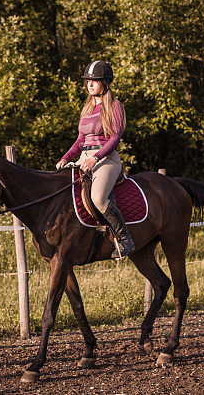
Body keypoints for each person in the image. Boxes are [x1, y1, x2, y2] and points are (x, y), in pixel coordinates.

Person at [56, 60, 135, 259]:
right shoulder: (87, 108)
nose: (90, 84)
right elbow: (81, 140)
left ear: (106, 82)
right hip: (85, 157)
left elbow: (115, 137)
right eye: (88, 81)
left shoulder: (115, 106)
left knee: (98, 198)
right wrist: (65, 158)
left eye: (95, 81)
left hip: (106, 158)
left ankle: (125, 239)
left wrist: (96, 158)